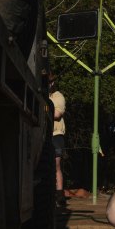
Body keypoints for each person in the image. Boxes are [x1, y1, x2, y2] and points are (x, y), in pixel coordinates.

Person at [49, 73, 67, 206]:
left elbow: (57, 114)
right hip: (44, 134)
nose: (49, 84)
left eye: (51, 82)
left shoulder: (58, 96)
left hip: (56, 134)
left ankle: (59, 195)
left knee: (56, 165)